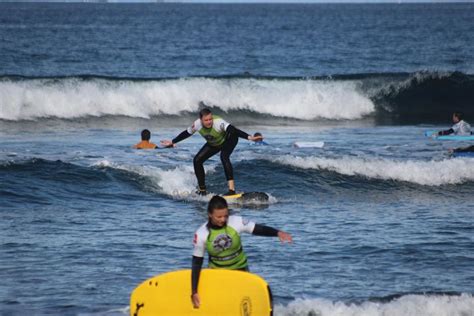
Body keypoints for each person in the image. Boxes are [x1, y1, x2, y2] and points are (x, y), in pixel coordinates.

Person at [190, 195, 292, 309]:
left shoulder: (236, 221)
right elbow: (197, 263)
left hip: (241, 271)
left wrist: (277, 233)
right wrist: (194, 291)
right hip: (218, 274)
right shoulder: (201, 234)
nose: (223, 219)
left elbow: (258, 229)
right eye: (219, 217)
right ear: (210, 214)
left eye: (225, 215)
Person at [160, 108, 262, 196]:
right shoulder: (197, 124)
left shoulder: (218, 122)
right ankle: (202, 190)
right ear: (201, 120)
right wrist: (172, 141)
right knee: (197, 160)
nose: (209, 122)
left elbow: (233, 130)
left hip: (230, 139)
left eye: (210, 119)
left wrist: (249, 137)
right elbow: (186, 133)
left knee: (224, 157)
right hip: (214, 143)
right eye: (206, 120)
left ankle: (231, 190)